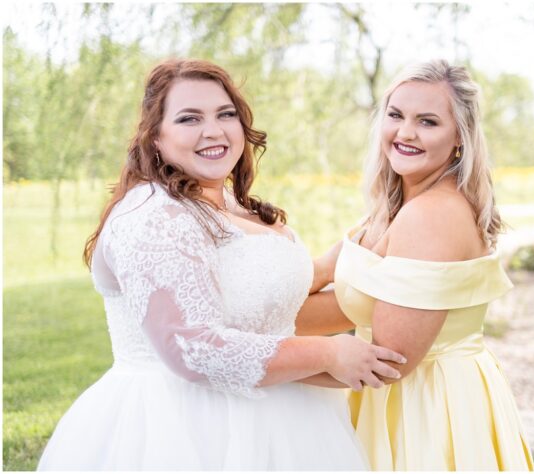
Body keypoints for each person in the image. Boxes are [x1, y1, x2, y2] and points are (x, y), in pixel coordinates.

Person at [37, 58, 404, 470]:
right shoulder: (151, 216)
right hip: (184, 429)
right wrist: (328, 353)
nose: (213, 130)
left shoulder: (225, 203)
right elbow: (192, 349)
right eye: (189, 118)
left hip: (288, 420)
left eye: (225, 114)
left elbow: (256, 289)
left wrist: (359, 248)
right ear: (155, 138)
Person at [298, 60, 534, 470]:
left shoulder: (432, 216)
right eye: (396, 115)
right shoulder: (390, 211)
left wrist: (261, 366)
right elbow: (315, 280)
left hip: (426, 410)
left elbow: (387, 361)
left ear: (459, 137)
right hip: (389, 402)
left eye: (427, 121)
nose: (405, 132)